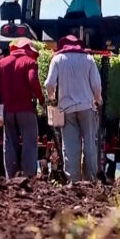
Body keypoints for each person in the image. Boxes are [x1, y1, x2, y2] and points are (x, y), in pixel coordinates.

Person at [45, 35, 102, 182]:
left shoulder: (57, 59)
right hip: (86, 107)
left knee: (70, 146)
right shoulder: (88, 59)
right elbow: (96, 85)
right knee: (90, 143)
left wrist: (52, 99)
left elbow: (49, 84)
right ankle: (90, 180)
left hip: (67, 109)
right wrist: (97, 100)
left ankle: (73, 181)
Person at [0, 38, 45, 178]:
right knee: (29, 142)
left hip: (8, 110)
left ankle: (11, 176)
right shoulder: (29, 62)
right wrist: (41, 99)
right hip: (26, 109)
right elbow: (33, 80)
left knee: (9, 142)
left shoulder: (1, 63)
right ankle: (28, 177)